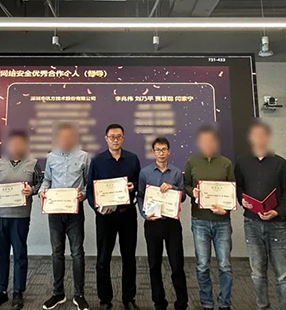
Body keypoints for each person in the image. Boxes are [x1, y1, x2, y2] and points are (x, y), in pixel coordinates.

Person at [235, 120, 286, 310]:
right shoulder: (242, 162)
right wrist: (242, 200)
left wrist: (278, 211)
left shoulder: (280, 163)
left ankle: (285, 307)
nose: (259, 139)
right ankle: (263, 306)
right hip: (251, 223)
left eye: (263, 135)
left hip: (277, 225)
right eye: (255, 135)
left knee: (282, 274)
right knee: (257, 273)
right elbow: (238, 188)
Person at [0, 131, 43, 310]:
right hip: (0, 216)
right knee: (0, 253)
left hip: (21, 216)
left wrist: (32, 190)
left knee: (19, 254)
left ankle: (18, 291)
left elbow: (41, 183)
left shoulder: (33, 163)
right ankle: (1, 290)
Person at [86, 123, 140, 310]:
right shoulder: (97, 161)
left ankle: (129, 299)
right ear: (106, 139)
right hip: (105, 217)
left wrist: (134, 186)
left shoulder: (132, 159)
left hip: (127, 215)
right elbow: (90, 190)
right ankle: (105, 300)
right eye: (112, 137)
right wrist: (97, 208)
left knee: (129, 258)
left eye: (118, 137)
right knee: (103, 259)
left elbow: (139, 183)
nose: (115, 140)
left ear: (123, 138)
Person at [39, 123, 91, 310]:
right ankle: (58, 293)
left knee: (77, 252)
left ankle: (79, 294)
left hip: (74, 212)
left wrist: (83, 194)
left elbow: (89, 184)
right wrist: (42, 191)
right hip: (55, 212)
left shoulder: (84, 157)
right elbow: (47, 180)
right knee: (57, 252)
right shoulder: (51, 157)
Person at [184, 125, 235, 310]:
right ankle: (206, 302)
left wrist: (226, 210)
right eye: (204, 141)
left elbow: (232, 191)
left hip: (222, 222)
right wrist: (193, 192)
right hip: (200, 221)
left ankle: (224, 303)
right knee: (202, 265)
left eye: (211, 140)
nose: (208, 144)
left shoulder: (226, 163)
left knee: (225, 265)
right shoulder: (192, 162)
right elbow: (185, 185)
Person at [137, 137, 188, 310]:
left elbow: (183, 196)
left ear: (169, 151)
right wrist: (145, 215)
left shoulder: (176, 172)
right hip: (153, 224)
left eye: (164, 149)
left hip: (172, 223)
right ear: (153, 152)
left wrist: (173, 189)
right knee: (154, 265)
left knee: (177, 265)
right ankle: (159, 302)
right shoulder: (145, 173)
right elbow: (140, 196)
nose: (161, 153)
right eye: (158, 150)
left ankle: (182, 303)